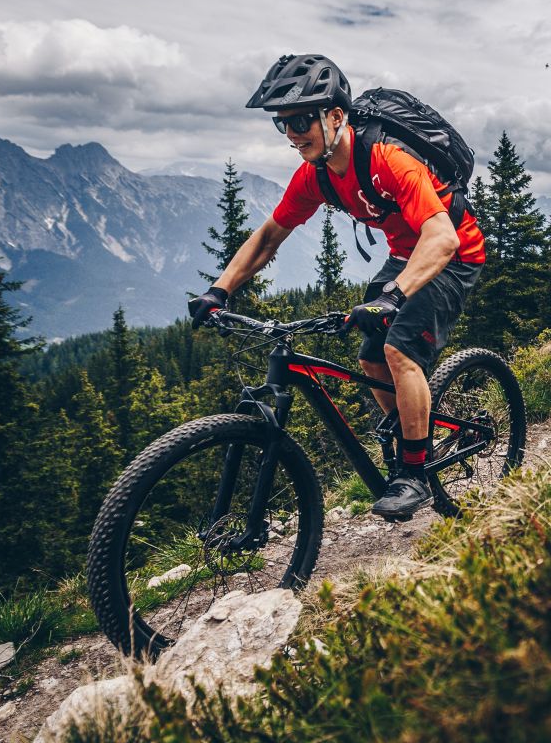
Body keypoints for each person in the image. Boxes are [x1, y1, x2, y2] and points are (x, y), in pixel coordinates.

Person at [188, 54, 486, 520]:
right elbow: (269, 235)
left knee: (400, 352)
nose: (291, 133)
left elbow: (442, 237)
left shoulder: (390, 160)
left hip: (453, 253)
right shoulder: (317, 174)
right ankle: (411, 431)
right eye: (282, 123)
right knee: (370, 356)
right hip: (407, 252)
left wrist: (393, 296)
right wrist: (219, 291)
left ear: (335, 116)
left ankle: (414, 472)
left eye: (301, 120)